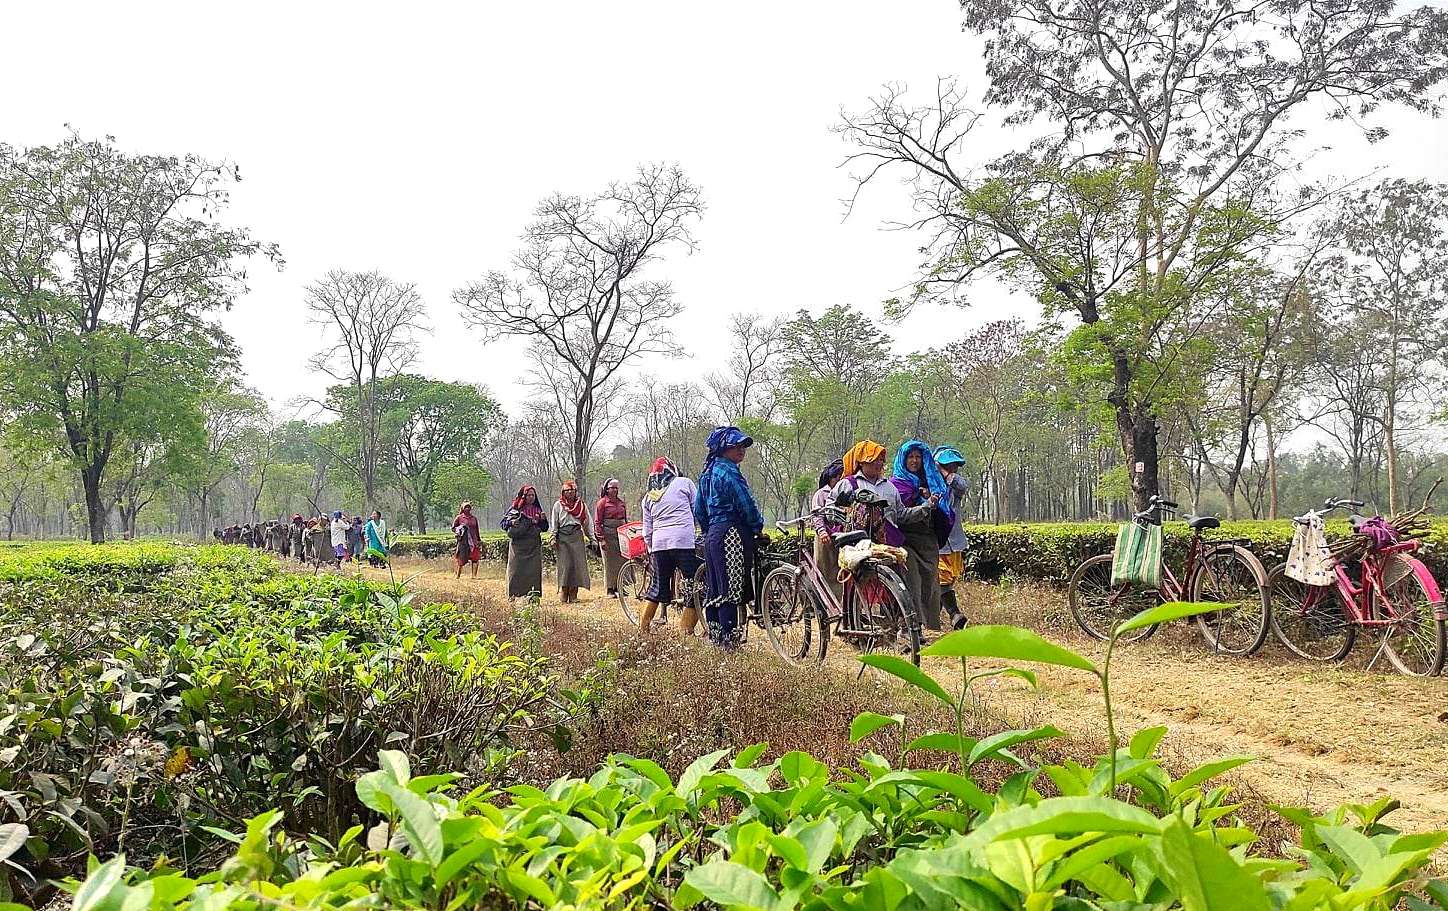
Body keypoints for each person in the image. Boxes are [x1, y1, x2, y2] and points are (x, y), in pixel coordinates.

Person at [696, 426, 765, 648]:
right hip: (731, 534)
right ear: (723, 448)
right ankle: (729, 640)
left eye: (743, 446)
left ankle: (716, 638)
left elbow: (699, 510)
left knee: (715, 587)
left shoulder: (707, 473)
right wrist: (757, 526)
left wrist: (710, 530)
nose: (741, 450)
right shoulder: (727, 471)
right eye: (736, 446)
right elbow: (745, 502)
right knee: (731, 589)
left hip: (713, 535)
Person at [892, 440, 952, 633]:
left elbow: (945, 506)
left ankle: (931, 626)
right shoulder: (896, 484)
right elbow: (898, 514)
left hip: (927, 540)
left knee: (930, 584)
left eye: (918, 457)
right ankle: (912, 625)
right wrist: (925, 504)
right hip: (906, 539)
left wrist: (931, 499)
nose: (915, 461)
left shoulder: (932, 481)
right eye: (910, 457)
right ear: (903, 459)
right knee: (912, 582)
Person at [638, 457, 700, 635]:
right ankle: (685, 630)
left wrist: (651, 550)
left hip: (659, 544)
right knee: (695, 585)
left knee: (657, 586)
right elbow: (697, 510)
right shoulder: (684, 483)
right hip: (683, 542)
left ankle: (643, 629)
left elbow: (647, 530)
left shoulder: (648, 496)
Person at [832, 440, 930, 547]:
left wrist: (925, 507)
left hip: (887, 546)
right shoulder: (847, 484)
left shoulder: (890, 487)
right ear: (861, 462)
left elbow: (901, 515)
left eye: (880, 460)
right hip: (854, 547)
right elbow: (830, 510)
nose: (879, 463)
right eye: (874, 460)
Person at [934, 445, 970, 630]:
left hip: (953, 541)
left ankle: (933, 618)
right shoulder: (929, 483)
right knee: (942, 579)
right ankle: (954, 614)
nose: (952, 469)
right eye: (947, 465)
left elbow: (963, 485)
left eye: (954, 466)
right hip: (936, 542)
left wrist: (947, 474)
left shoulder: (955, 486)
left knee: (947, 580)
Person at [501, 485, 548, 598]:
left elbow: (545, 528)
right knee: (515, 572)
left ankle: (533, 597)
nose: (531, 497)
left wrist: (543, 520)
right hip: (518, 547)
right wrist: (511, 523)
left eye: (533, 495)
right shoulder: (515, 509)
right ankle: (513, 596)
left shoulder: (538, 510)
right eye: (528, 495)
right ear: (523, 496)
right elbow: (502, 524)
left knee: (533, 573)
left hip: (533, 546)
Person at [811, 458, 846, 606]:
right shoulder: (821, 494)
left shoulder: (845, 492)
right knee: (825, 572)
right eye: (836, 477)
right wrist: (822, 531)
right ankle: (825, 605)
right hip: (825, 539)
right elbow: (816, 515)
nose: (838, 480)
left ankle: (842, 605)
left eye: (841, 477)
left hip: (841, 537)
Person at [550, 480, 592, 603]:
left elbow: (587, 523)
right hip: (562, 538)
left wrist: (592, 539)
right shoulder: (558, 505)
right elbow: (554, 523)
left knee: (577, 565)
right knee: (565, 565)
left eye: (572, 490)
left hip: (576, 536)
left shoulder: (581, 505)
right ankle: (564, 591)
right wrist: (553, 537)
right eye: (567, 491)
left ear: (575, 492)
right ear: (563, 492)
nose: (570, 493)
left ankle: (574, 593)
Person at [593, 478, 629, 596]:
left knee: (622, 561)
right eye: (612, 488)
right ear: (606, 489)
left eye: (616, 488)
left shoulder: (621, 503)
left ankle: (620, 586)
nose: (614, 490)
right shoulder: (602, 503)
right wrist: (601, 539)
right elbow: (597, 522)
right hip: (608, 536)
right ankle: (610, 589)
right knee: (609, 563)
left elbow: (625, 519)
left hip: (621, 535)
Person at [453, 502, 481, 579]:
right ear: (463, 508)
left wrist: (478, 540)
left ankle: (474, 576)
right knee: (461, 559)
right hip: (463, 542)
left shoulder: (474, 519)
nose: (467, 509)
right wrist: (460, 528)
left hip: (473, 541)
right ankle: (458, 575)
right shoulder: (459, 518)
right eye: (466, 507)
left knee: (475, 558)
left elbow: (477, 530)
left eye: (469, 507)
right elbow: (453, 528)